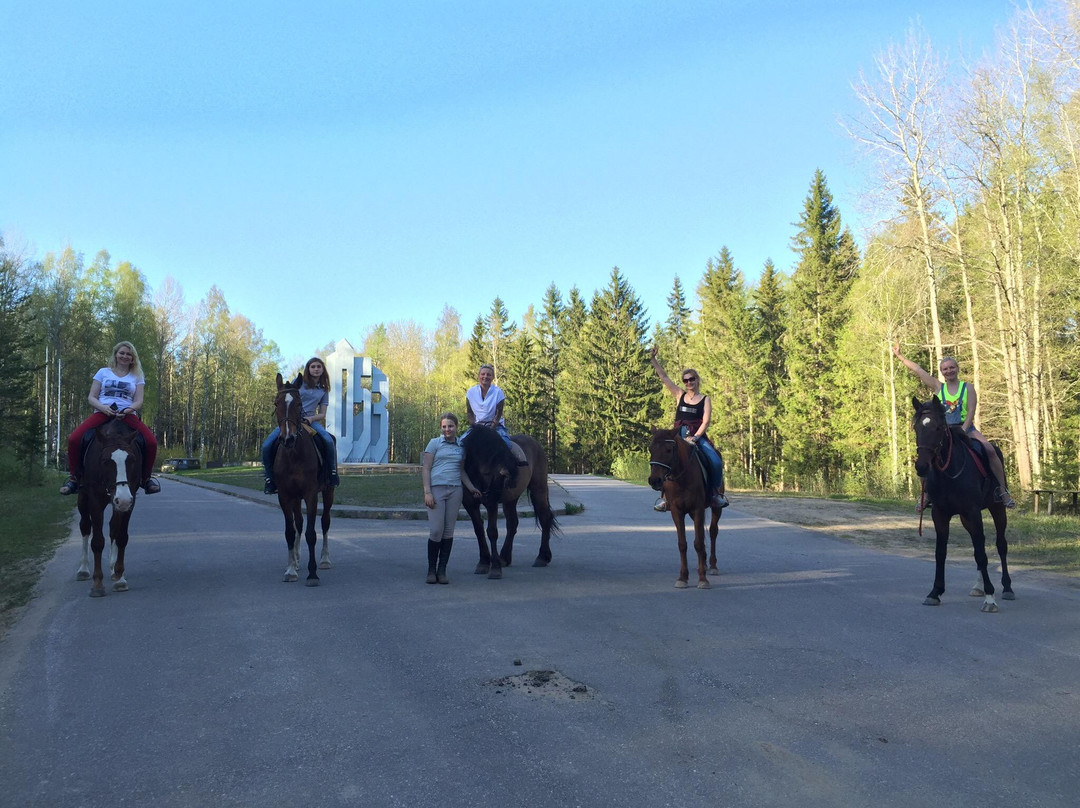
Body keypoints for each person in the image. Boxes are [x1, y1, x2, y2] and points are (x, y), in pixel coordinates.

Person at [893, 343, 1016, 509]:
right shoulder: (938, 387)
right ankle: (926, 495)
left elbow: (971, 410)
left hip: (966, 428)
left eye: (951, 368)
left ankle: (1002, 491)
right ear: (942, 372)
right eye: (945, 369)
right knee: (925, 455)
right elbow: (918, 370)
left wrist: (964, 430)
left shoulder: (968, 387)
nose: (948, 371)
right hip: (944, 430)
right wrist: (900, 356)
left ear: (957, 369)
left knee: (989, 450)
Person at [60, 341, 160, 495]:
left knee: (151, 442)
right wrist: (103, 407)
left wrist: (128, 409)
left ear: (133, 358)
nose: (125, 356)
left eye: (129, 354)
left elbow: (139, 401)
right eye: (122, 353)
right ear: (115, 354)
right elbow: (92, 397)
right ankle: (74, 478)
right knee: (74, 438)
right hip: (103, 412)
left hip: (127, 414)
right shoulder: (103, 372)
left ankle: (146, 479)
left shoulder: (137, 376)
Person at [648, 347, 728, 511]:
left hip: (697, 435)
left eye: (691, 379)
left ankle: (715, 494)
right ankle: (665, 498)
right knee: (664, 458)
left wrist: (696, 437)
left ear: (697, 380)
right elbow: (664, 377)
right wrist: (653, 360)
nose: (688, 383)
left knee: (715, 460)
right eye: (685, 380)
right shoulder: (680, 395)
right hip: (677, 434)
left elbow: (705, 421)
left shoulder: (705, 399)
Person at [261, 356, 340, 494]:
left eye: (318, 367)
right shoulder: (298, 383)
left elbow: (322, 414)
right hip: (291, 420)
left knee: (328, 440)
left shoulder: (323, 389)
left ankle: (332, 473)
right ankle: (269, 479)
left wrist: (310, 418)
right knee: (266, 445)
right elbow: (287, 400)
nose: (316, 369)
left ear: (323, 370)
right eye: (313, 367)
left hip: (311, 421)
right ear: (308, 369)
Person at [421, 412, 480, 584]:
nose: (447, 429)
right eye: (444, 426)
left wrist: (471, 488)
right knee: (436, 530)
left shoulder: (461, 445)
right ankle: (431, 570)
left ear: (456, 427)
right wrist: (427, 492)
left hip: (455, 490)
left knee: (448, 531)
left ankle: (442, 570)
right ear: (441, 427)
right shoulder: (434, 443)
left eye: (451, 426)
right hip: (436, 490)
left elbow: (461, 471)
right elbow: (426, 468)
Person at [462, 363, 528, 465]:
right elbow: (469, 412)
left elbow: (498, 414)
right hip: (477, 426)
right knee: (461, 443)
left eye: (488, 374)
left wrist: (490, 430)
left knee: (506, 444)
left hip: (495, 426)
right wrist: (473, 425)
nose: (485, 377)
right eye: (483, 374)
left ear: (492, 377)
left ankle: (509, 468)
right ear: (479, 376)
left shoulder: (498, 392)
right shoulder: (471, 392)